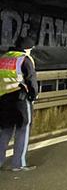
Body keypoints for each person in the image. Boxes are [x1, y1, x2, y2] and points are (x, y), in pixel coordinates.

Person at [0, 36, 38, 172]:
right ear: (28, 48)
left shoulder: (3, 57)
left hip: (3, 99)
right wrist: (33, 96)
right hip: (20, 98)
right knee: (23, 129)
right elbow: (31, 80)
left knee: (5, 130)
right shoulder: (25, 59)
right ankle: (18, 164)